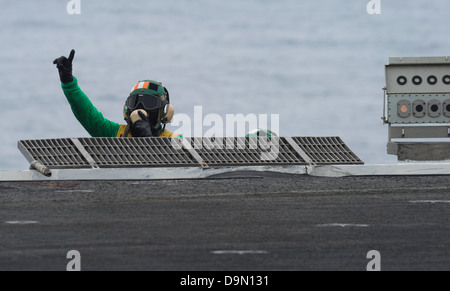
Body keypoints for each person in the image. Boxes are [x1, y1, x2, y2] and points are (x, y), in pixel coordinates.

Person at [53, 49, 180, 138]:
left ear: (165, 112)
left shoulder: (175, 140)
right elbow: (88, 115)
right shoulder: (116, 133)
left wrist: (147, 138)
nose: (140, 108)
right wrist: (69, 83)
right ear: (127, 109)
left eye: (149, 103)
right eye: (134, 102)